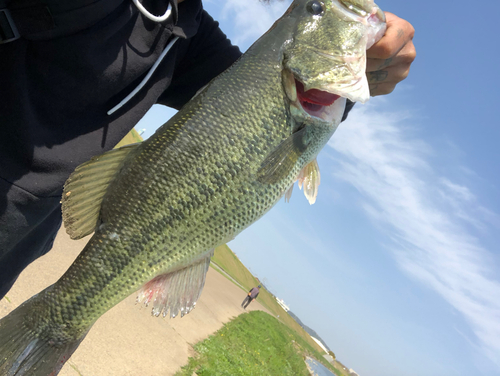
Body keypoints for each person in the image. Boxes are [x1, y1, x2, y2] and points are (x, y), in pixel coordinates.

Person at [0, 0, 416, 300]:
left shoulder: (185, 26)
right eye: (315, 8)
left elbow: (258, 100)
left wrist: (357, 74)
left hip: (25, 230)